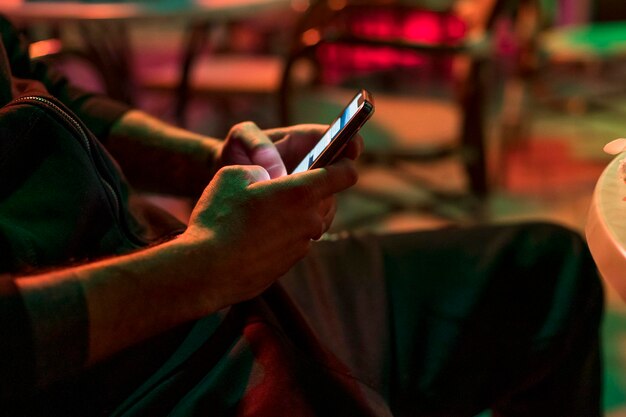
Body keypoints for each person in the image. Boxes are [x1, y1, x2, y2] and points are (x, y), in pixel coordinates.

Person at [0, 16, 603, 417]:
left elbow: (50, 90)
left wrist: (207, 161)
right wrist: (206, 267)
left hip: (182, 273)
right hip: (131, 374)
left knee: (547, 270)